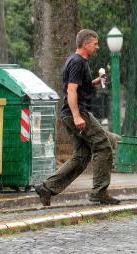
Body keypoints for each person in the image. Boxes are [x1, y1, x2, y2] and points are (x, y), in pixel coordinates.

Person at [35, 29, 120, 206]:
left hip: (73, 113)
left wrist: (94, 82)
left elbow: (79, 87)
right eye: (95, 44)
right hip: (78, 113)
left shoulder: (78, 62)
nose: (97, 47)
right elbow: (71, 90)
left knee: (82, 156)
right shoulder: (77, 62)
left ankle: (47, 188)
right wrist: (77, 116)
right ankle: (99, 192)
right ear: (86, 43)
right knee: (103, 146)